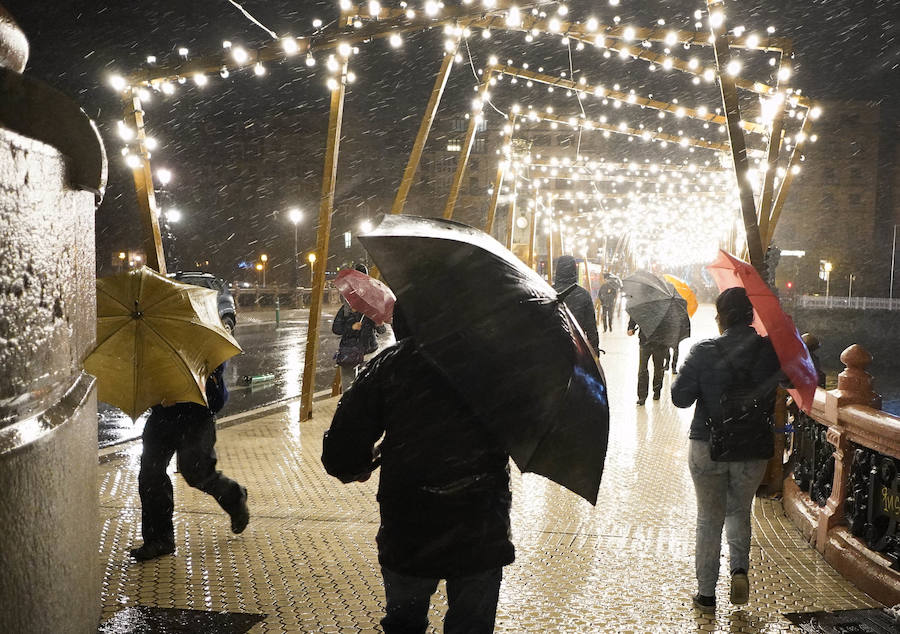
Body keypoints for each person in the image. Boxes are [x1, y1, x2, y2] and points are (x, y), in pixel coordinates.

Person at [321, 305, 514, 633]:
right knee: (472, 626)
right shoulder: (496, 367)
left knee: (404, 624)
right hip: (480, 523)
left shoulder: (390, 366)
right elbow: (526, 431)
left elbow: (341, 453)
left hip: (410, 523)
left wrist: (362, 463)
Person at [671, 287, 782, 612]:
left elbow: (680, 398)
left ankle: (706, 594)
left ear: (721, 318)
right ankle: (739, 570)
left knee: (709, 518)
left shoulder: (704, 351)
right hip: (752, 448)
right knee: (739, 511)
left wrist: (695, 376)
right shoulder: (770, 351)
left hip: (708, 444)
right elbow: (795, 379)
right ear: (750, 316)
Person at [130, 362, 249, 561]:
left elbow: (213, 366)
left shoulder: (200, 343)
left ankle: (234, 496)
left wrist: (183, 389)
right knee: (150, 475)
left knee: (196, 472)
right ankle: (159, 540)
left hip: (197, 414)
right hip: (161, 414)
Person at [332, 263, 385, 391]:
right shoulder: (346, 308)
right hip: (352, 351)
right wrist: (352, 327)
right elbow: (336, 329)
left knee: (361, 387)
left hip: (365, 351)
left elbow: (381, 330)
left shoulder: (372, 307)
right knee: (352, 387)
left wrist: (379, 324)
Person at [553, 255, 599, 352]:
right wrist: (594, 349)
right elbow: (591, 326)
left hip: (553, 348)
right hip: (577, 347)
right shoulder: (583, 294)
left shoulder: (549, 292)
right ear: (574, 271)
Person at [627, 316, 668, 405]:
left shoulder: (667, 308)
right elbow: (636, 313)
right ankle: (642, 396)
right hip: (645, 341)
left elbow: (671, 322)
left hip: (661, 342)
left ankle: (657, 390)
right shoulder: (643, 307)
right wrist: (631, 327)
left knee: (658, 368)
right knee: (642, 369)